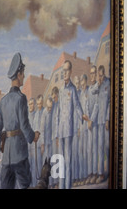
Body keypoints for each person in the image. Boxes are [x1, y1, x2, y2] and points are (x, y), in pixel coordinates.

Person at [0, 53, 39, 189]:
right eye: (23, 73)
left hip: (6, 157)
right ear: (18, 75)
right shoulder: (21, 98)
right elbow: (24, 126)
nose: (23, 76)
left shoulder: (3, 100)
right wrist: (33, 136)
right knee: (25, 184)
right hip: (20, 155)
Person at [55, 60, 87, 189]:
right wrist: (56, 132)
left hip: (69, 130)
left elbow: (77, 106)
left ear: (71, 72)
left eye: (67, 70)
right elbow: (58, 112)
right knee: (61, 161)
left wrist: (82, 116)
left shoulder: (73, 89)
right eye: (63, 71)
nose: (64, 73)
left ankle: (67, 187)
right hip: (61, 131)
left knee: (68, 161)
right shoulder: (61, 90)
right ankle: (62, 186)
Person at [96, 65, 110, 183]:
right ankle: (101, 173)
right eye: (98, 76)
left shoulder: (108, 84)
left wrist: (107, 119)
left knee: (107, 147)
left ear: (104, 74)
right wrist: (98, 84)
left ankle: (110, 170)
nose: (100, 78)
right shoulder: (98, 86)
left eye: (101, 75)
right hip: (98, 122)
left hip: (105, 121)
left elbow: (110, 102)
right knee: (100, 147)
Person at [86, 65, 99, 184]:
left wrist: (91, 119)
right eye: (91, 73)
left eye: (94, 73)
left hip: (94, 123)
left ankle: (95, 173)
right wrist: (87, 119)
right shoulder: (89, 89)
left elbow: (96, 105)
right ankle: (90, 173)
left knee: (95, 149)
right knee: (89, 149)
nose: (92, 75)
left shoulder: (97, 88)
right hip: (89, 123)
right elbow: (87, 105)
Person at [78, 74, 89, 186]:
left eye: (83, 83)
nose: (82, 85)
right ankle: (82, 176)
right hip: (81, 127)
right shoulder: (80, 94)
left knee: (87, 152)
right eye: (81, 84)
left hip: (88, 126)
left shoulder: (89, 92)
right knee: (81, 153)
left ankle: (87, 175)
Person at [50, 86, 60, 188]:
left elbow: (57, 122)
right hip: (53, 137)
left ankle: (57, 182)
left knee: (58, 159)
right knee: (54, 159)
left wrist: (57, 136)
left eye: (55, 96)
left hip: (57, 136)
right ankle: (54, 181)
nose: (54, 98)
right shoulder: (53, 107)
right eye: (53, 97)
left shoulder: (59, 106)